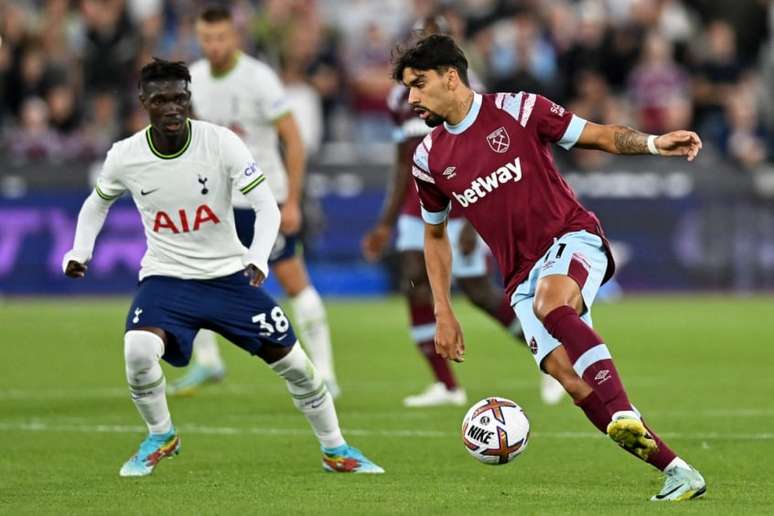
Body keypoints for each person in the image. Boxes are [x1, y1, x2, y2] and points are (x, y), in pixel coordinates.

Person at [392, 34, 705, 501]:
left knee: (551, 304)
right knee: (572, 381)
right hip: (518, 276)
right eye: (407, 88)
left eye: (418, 84)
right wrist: (443, 309)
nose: (411, 98)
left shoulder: (519, 110)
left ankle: (623, 412)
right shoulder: (429, 158)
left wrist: (656, 144)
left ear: (451, 77)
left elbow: (598, 135)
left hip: (571, 237)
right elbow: (433, 235)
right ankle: (679, 472)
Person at [62, 59, 382, 477]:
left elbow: (266, 205)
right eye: (161, 100)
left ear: (189, 99)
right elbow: (96, 204)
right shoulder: (125, 156)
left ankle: (335, 450)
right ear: (144, 102)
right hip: (167, 278)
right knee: (138, 350)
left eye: (180, 98)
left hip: (229, 278)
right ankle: (161, 434)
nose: (173, 108)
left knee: (297, 366)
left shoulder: (221, 143)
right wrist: (79, 251)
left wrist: (256, 255)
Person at [362, 17, 564, 408]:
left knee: (479, 292)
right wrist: (385, 223)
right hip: (415, 205)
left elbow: (489, 158)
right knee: (413, 280)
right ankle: (446, 385)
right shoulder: (399, 98)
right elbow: (403, 162)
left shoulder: (474, 93)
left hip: (464, 202)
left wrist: (475, 221)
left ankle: (552, 357)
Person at [167, 5, 340, 398]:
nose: (213, 45)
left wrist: (292, 201)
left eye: (220, 37)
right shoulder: (193, 79)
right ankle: (209, 362)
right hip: (217, 202)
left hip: (265, 199)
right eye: (207, 38)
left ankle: (326, 372)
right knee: (190, 273)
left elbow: (293, 140)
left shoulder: (259, 79)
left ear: (235, 37)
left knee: (293, 279)